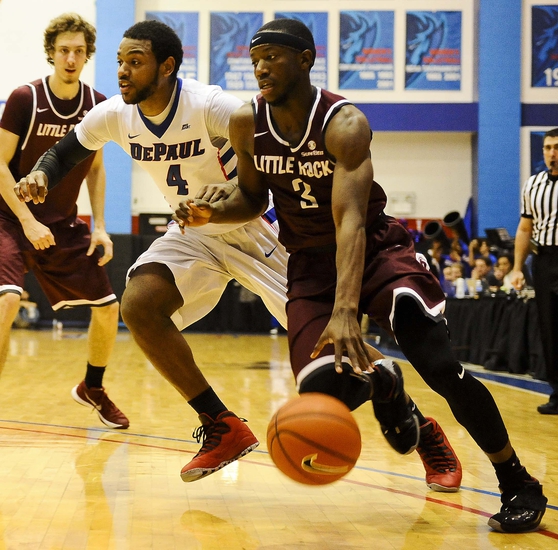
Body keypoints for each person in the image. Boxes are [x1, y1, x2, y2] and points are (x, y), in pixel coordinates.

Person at [14, 20, 461, 491]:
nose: (122, 72)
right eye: (120, 62)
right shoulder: (114, 115)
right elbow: (64, 151)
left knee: (337, 357)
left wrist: (230, 192)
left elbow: (270, 139)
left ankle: (417, 419)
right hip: (196, 231)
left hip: (258, 229)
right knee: (139, 303)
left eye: (135, 62)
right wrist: (43, 173)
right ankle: (221, 424)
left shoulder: (210, 105)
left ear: (166, 67)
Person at [176, 18, 547, 532]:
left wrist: (347, 313)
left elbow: (350, 220)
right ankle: (388, 387)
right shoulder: (245, 122)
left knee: (438, 364)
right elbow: (252, 198)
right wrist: (210, 213)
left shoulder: (343, 123)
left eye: (273, 56)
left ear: (305, 59)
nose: (260, 66)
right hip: (307, 265)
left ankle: (516, 481)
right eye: (254, 56)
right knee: (326, 394)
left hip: (375, 251)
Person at [0, 13, 127, 429]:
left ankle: (93, 387)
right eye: (63, 50)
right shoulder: (25, 98)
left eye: (78, 51)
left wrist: (103, 225)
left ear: (87, 55)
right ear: (51, 54)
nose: (70, 58)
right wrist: (26, 220)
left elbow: (95, 169)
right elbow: (0, 165)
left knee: (109, 309)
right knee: (8, 300)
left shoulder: (98, 105)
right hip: (9, 217)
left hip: (62, 224)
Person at [510, 127, 558, 415]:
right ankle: (557, 393)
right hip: (544, 261)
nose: (553, 153)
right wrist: (517, 267)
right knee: (549, 327)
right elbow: (525, 227)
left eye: (557, 147)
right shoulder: (533, 185)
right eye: (548, 148)